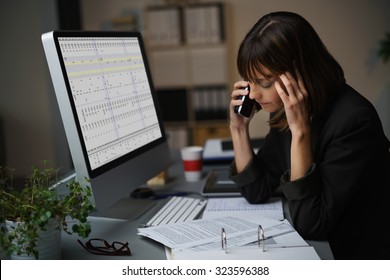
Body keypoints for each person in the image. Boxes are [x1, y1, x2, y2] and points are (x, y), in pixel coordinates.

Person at [229, 11, 390, 259]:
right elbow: (257, 189)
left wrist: (300, 133)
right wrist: (238, 128)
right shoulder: (284, 113)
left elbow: (310, 224)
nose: (254, 95)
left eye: (265, 82)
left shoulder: (355, 121)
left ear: (299, 71)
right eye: (250, 82)